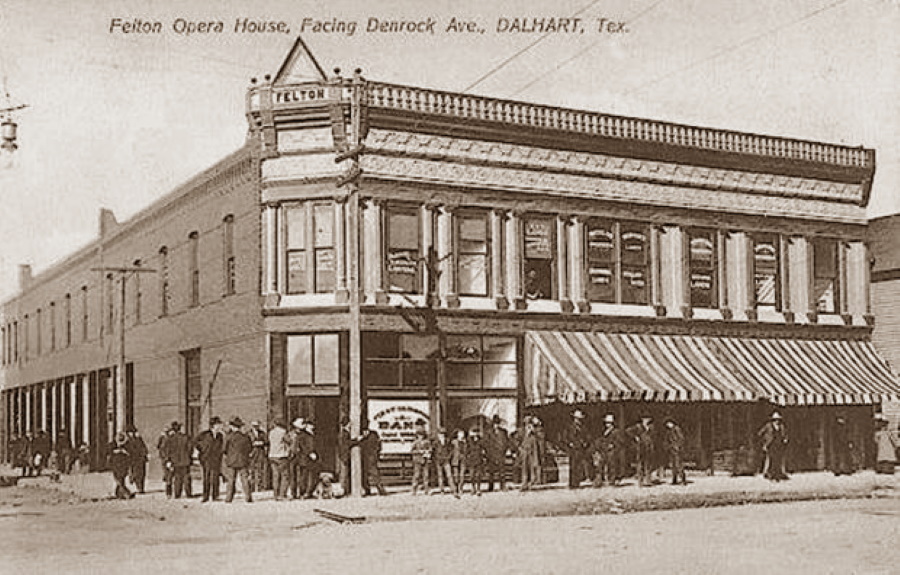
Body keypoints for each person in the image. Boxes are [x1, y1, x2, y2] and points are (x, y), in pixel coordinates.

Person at [194, 416, 225, 502]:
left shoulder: (220, 435)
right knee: (206, 477)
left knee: (215, 477)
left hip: (216, 459)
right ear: (213, 425)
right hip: (206, 459)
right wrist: (202, 450)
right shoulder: (204, 434)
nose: (220, 426)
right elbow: (196, 442)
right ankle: (205, 496)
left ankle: (215, 496)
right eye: (218, 424)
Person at [223, 417, 253, 503]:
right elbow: (250, 448)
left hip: (231, 461)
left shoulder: (228, 437)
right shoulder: (245, 437)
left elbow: (224, 449)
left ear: (232, 427)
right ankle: (248, 497)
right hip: (243, 460)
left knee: (231, 480)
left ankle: (229, 498)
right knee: (245, 479)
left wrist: (229, 455)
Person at [592, 414, 625, 487]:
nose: (608, 424)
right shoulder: (604, 431)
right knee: (600, 465)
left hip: (611, 451)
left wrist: (613, 445)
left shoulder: (616, 431)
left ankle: (612, 480)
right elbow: (601, 440)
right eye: (607, 423)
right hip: (604, 450)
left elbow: (620, 442)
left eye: (609, 423)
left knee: (612, 466)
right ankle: (600, 480)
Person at [356, 423, 387, 496]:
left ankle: (379, 489)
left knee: (373, 474)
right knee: (367, 475)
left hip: (370, 457)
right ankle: (371, 489)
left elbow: (378, 445)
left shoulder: (370, 436)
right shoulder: (373, 435)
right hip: (368, 457)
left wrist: (377, 452)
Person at [562, 410, 591, 489]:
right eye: (576, 418)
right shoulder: (569, 427)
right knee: (573, 466)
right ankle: (572, 483)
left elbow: (587, 436)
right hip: (573, 449)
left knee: (579, 466)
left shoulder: (583, 427)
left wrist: (585, 442)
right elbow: (565, 437)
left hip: (580, 448)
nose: (578, 420)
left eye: (579, 419)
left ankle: (577, 482)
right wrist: (569, 443)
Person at [164, 421, 193, 498]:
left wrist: (168, 460)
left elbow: (167, 451)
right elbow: (190, 449)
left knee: (177, 478)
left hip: (175, 461)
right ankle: (188, 493)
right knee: (186, 477)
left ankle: (177, 494)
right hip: (185, 460)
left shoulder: (170, 439)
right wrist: (188, 456)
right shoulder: (186, 437)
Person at [758, 412, 789, 481]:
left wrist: (785, 439)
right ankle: (768, 473)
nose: (777, 421)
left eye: (778, 419)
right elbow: (760, 433)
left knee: (778, 459)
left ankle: (778, 473)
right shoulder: (768, 425)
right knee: (770, 459)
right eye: (775, 419)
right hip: (771, 444)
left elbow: (784, 434)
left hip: (779, 445)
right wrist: (765, 441)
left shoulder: (781, 426)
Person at [484, 415, 509, 492]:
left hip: (501, 453)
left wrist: (504, 450)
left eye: (498, 423)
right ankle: (491, 486)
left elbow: (506, 442)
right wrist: (488, 452)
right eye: (495, 423)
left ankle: (503, 486)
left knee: (502, 471)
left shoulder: (504, 432)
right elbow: (486, 443)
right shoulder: (488, 432)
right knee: (491, 471)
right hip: (491, 454)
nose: (496, 425)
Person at [628, 416, 655, 487]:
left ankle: (648, 480)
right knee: (640, 465)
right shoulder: (638, 426)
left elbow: (653, 435)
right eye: (645, 419)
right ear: (642, 420)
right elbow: (628, 431)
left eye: (648, 419)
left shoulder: (651, 427)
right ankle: (640, 481)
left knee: (648, 464)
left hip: (649, 447)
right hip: (641, 447)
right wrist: (635, 437)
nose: (646, 421)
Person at [268, 418, 290, 500]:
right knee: (285, 476)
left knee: (275, 476)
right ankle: (282, 494)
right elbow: (289, 441)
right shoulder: (283, 432)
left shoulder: (271, 432)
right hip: (281, 455)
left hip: (272, 455)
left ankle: (275, 495)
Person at [107, 432, 134, 500]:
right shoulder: (112, 446)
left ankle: (125, 494)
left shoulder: (127, 446)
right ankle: (122, 494)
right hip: (116, 466)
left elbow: (130, 456)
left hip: (122, 467)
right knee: (119, 481)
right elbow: (110, 456)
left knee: (120, 481)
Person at [518, 418, 541, 491]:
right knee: (524, 468)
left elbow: (538, 441)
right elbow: (516, 440)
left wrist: (533, 431)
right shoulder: (521, 432)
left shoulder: (533, 434)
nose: (528, 425)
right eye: (527, 424)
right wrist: (519, 448)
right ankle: (524, 483)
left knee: (532, 467)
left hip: (531, 452)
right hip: (524, 451)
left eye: (529, 424)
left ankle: (531, 482)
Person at [125, 425, 149, 494]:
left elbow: (144, 448)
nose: (132, 434)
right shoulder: (127, 441)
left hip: (140, 459)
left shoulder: (138, 439)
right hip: (133, 459)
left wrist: (145, 454)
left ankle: (140, 488)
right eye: (130, 433)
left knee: (141, 474)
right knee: (136, 473)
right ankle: (135, 483)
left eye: (133, 432)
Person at [663, 417, 687, 485]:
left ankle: (683, 479)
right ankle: (674, 479)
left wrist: (678, 446)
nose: (667, 425)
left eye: (668, 423)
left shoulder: (677, 429)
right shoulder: (669, 431)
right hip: (672, 450)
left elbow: (681, 439)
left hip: (677, 450)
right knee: (673, 466)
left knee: (678, 465)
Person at [431, 428, 455, 495]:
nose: (442, 435)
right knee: (440, 476)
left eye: (443, 434)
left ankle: (453, 489)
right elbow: (433, 452)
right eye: (440, 434)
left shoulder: (448, 441)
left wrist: (448, 457)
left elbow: (451, 450)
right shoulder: (435, 443)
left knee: (449, 475)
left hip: (446, 460)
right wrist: (436, 458)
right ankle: (442, 490)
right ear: (438, 435)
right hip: (438, 461)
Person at [286, 418, 305, 500]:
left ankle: (300, 492)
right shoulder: (291, 434)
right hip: (293, 456)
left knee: (300, 475)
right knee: (293, 475)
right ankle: (294, 492)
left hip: (297, 456)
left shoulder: (292, 434)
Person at [248, 420, 269, 494]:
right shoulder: (248, 433)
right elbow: (247, 443)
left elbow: (267, 442)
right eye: (254, 426)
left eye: (257, 426)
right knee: (251, 470)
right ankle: (251, 487)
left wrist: (262, 443)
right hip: (252, 453)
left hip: (260, 452)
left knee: (260, 470)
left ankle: (260, 486)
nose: (256, 427)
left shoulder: (262, 433)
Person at [465, 427, 487, 495]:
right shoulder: (469, 440)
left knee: (478, 475)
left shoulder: (481, 440)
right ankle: (473, 488)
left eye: (476, 432)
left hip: (479, 460)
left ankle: (478, 489)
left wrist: (484, 456)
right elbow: (466, 450)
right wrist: (467, 457)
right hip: (471, 460)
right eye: (473, 432)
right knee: (472, 476)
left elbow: (484, 449)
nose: (475, 434)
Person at [410, 429, 432, 496]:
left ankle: (426, 490)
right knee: (416, 476)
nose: (421, 436)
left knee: (426, 476)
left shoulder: (427, 442)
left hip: (425, 460)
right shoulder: (415, 442)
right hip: (417, 460)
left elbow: (430, 449)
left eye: (422, 435)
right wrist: (419, 451)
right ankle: (414, 490)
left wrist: (428, 452)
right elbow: (412, 451)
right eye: (419, 435)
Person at [157, 426, 174, 497]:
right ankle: (168, 492)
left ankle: (168, 492)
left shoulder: (163, 439)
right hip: (167, 459)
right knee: (169, 476)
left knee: (168, 475)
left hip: (164, 459)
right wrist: (168, 460)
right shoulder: (168, 440)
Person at [450, 429, 467, 497]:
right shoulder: (453, 442)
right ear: (457, 435)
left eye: (462, 433)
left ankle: (460, 488)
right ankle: (456, 488)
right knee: (456, 475)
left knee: (462, 475)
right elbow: (451, 451)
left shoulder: (465, 442)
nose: (461, 435)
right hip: (455, 459)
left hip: (463, 460)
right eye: (460, 433)